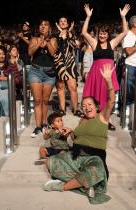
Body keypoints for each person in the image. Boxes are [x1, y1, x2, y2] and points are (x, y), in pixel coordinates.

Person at [42, 64, 115, 204]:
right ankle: (85, 184)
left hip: (94, 157)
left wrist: (108, 81)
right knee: (49, 162)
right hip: (76, 156)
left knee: (96, 169)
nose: (86, 108)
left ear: (96, 106)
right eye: (83, 105)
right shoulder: (82, 120)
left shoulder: (102, 117)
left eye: (89, 105)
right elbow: (77, 138)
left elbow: (111, 100)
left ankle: (63, 186)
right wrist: (71, 133)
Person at [81, 4, 130, 130]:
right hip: (96, 73)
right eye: (101, 34)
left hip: (109, 74)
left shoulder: (112, 43)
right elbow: (84, 32)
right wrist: (88, 17)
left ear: (108, 35)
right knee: (94, 96)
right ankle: (92, 118)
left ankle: (105, 120)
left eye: (105, 34)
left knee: (108, 96)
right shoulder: (94, 43)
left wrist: (123, 17)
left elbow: (125, 32)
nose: (102, 36)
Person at [28, 20, 58, 137]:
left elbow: (52, 53)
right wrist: (40, 41)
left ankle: (45, 123)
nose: (43, 27)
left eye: (45, 25)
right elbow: (30, 52)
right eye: (41, 25)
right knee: (37, 100)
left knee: (45, 101)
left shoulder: (53, 40)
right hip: (35, 71)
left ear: (49, 28)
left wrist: (47, 41)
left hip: (49, 73)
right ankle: (38, 126)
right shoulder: (34, 39)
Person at [54, 17, 83, 117]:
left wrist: (68, 34)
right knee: (60, 87)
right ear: (58, 24)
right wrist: (60, 34)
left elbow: (76, 46)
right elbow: (54, 48)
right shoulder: (55, 36)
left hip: (70, 63)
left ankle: (75, 109)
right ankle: (62, 109)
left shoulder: (72, 35)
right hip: (59, 63)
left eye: (64, 21)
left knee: (73, 87)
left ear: (68, 24)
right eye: (60, 21)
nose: (62, 23)